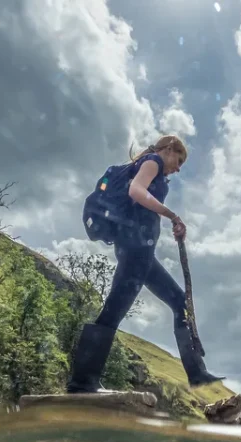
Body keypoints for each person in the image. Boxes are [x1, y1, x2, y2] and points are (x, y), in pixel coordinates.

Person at [67, 135, 222, 393]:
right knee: (114, 310)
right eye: (179, 159)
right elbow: (136, 192)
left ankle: (197, 372)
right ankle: (82, 381)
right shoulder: (152, 162)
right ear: (169, 149)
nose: (179, 167)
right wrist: (172, 215)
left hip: (140, 251)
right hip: (136, 248)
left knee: (179, 302)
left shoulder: (151, 169)